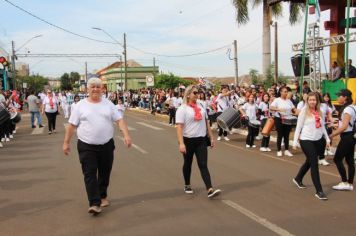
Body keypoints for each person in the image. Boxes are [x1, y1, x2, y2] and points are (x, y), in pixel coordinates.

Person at [63, 77, 132, 215]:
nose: (95, 89)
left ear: (102, 89)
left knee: (105, 172)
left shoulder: (108, 105)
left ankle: (102, 195)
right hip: (86, 145)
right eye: (92, 86)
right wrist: (66, 142)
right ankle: (94, 203)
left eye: (98, 87)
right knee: (89, 173)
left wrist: (126, 135)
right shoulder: (80, 106)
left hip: (106, 145)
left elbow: (119, 120)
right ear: (87, 89)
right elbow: (72, 126)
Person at [176, 85, 221, 199]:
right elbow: (179, 127)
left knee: (203, 164)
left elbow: (206, 123)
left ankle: (209, 189)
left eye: (198, 93)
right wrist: (181, 143)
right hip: (188, 140)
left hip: (201, 140)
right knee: (188, 163)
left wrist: (211, 137)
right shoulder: (183, 109)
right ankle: (187, 184)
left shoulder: (201, 106)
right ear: (188, 94)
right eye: (195, 93)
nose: (197, 95)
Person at [292, 92, 330, 200]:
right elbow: (298, 127)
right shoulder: (303, 112)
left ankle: (298, 178)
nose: (312, 102)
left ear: (317, 101)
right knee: (314, 163)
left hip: (317, 140)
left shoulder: (320, 111)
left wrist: (327, 138)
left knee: (309, 160)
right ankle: (319, 191)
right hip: (306, 140)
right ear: (307, 101)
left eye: (314, 100)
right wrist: (295, 142)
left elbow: (322, 127)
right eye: (310, 100)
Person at [330, 89, 355, 191]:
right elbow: (348, 124)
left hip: (347, 137)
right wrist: (335, 124)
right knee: (349, 161)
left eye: (339, 96)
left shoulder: (347, 109)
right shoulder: (353, 107)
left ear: (345, 97)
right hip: (351, 136)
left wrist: (332, 135)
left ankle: (344, 182)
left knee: (337, 159)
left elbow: (344, 126)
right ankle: (349, 184)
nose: (337, 98)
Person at [270, 86, 295, 157]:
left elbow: (293, 109)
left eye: (287, 91)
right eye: (285, 91)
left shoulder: (289, 101)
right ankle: (279, 150)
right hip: (279, 119)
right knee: (280, 135)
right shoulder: (277, 100)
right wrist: (278, 109)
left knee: (287, 135)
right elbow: (271, 107)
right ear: (281, 92)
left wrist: (297, 112)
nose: (286, 93)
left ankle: (286, 150)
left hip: (288, 119)